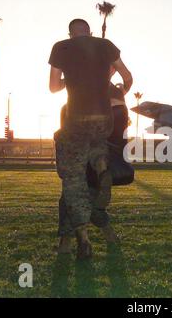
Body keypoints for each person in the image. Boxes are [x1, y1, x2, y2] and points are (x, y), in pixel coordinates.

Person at [49, 19, 133, 260]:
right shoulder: (106, 45)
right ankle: (101, 165)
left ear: (70, 33)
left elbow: (54, 87)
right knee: (96, 145)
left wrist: (71, 81)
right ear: (90, 32)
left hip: (76, 119)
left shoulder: (61, 47)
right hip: (103, 120)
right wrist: (120, 90)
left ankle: (82, 238)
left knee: (73, 179)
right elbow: (128, 76)